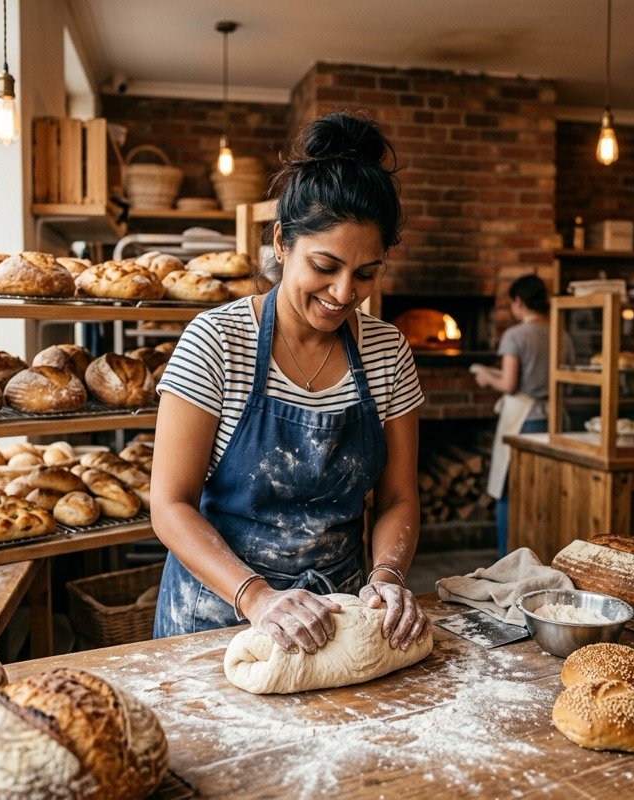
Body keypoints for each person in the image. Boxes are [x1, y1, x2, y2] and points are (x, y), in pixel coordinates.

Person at [150, 111, 430, 656]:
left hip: (339, 618)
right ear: (281, 242)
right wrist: (256, 597)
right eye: (324, 266)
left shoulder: (386, 351)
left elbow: (398, 496)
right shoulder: (216, 340)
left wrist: (388, 577)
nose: (344, 293)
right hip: (216, 618)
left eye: (366, 273)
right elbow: (169, 504)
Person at [472, 274, 562, 559]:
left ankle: (507, 559)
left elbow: (509, 384)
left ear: (519, 302)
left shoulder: (516, 336)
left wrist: (486, 377)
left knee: (508, 492)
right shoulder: (562, 333)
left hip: (524, 422)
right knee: (545, 494)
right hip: (557, 420)